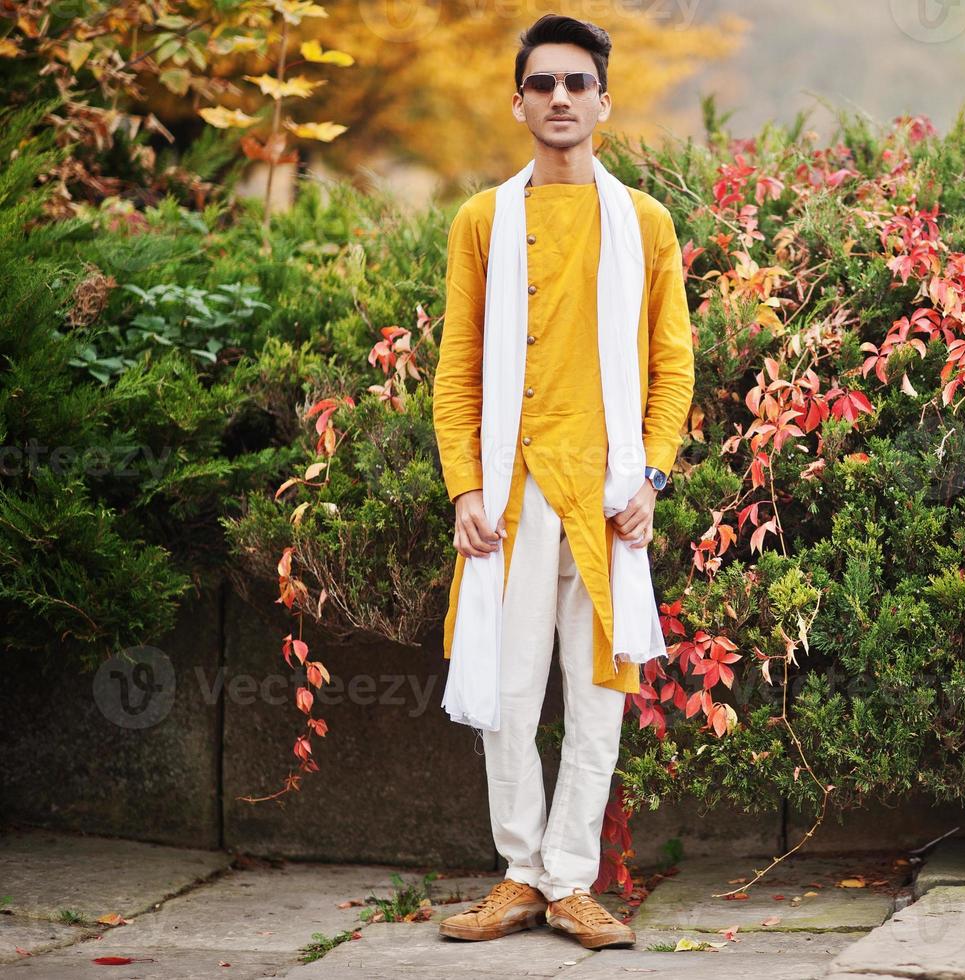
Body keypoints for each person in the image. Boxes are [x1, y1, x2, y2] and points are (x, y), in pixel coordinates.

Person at [431, 12, 695, 951]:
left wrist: (652, 480)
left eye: (575, 84)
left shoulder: (645, 225)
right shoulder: (482, 221)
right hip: (506, 499)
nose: (558, 98)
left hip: (606, 502)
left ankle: (572, 883)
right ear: (517, 101)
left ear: (603, 103)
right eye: (541, 83)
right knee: (505, 695)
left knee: (596, 696)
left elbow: (673, 367)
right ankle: (517, 877)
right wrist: (465, 487)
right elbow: (458, 364)